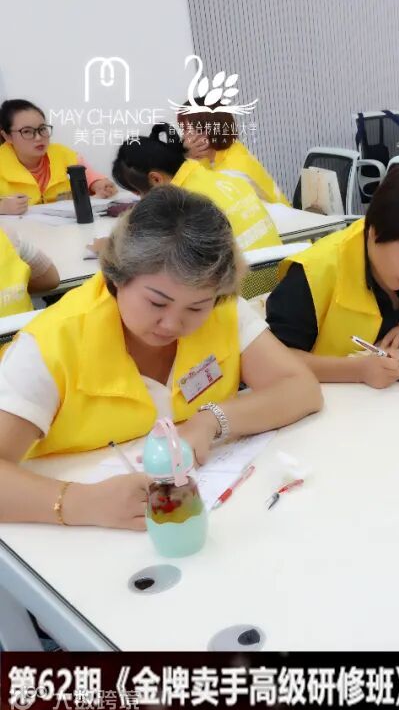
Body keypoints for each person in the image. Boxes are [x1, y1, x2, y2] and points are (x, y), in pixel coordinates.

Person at [0, 186, 322, 529]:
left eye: (196, 308)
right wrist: (78, 502)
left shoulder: (220, 310)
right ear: (117, 276)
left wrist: (211, 420)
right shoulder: (50, 344)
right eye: (156, 302)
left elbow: (301, 388)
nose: (172, 324)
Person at [266, 163, 399, 388]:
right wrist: (357, 370)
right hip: (322, 397)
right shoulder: (311, 275)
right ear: (374, 230)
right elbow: (274, 360)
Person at [112, 124, 282, 251]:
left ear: (156, 179)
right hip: (279, 274)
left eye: (139, 193)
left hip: (244, 283)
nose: (142, 200)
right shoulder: (219, 177)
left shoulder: (182, 206)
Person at [0, 99, 117, 215]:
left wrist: (99, 185)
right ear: (7, 136)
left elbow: (91, 178)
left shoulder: (64, 155)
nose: (38, 137)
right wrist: (2, 208)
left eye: (42, 129)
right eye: (27, 131)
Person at [177, 100, 290, 204]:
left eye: (186, 130)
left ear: (207, 132)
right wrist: (186, 156)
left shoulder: (232, 171)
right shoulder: (228, 149)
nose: (184, 137)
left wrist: (187, 157)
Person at [0, 226, 59, 317]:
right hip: (26, 324)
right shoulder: (7, 236)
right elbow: (51, 279)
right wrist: (16, 291)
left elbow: (51, 279)